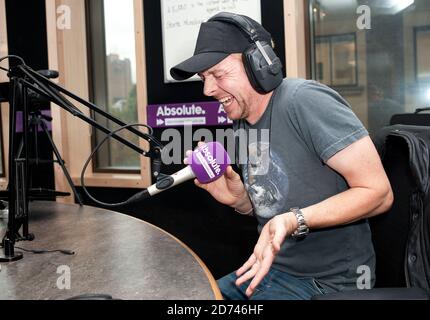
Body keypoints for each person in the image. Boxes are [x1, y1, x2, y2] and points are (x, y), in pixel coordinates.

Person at [170, 12, 393, 300]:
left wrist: (293, 220)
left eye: (218, 74)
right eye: (204, 78)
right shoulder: (243, 120)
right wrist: (239, 199)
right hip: (270, 269)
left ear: (258, 64)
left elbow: (379, 193)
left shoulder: (304, 100)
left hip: (329, 283)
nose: (208, 89)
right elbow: (275, 204)